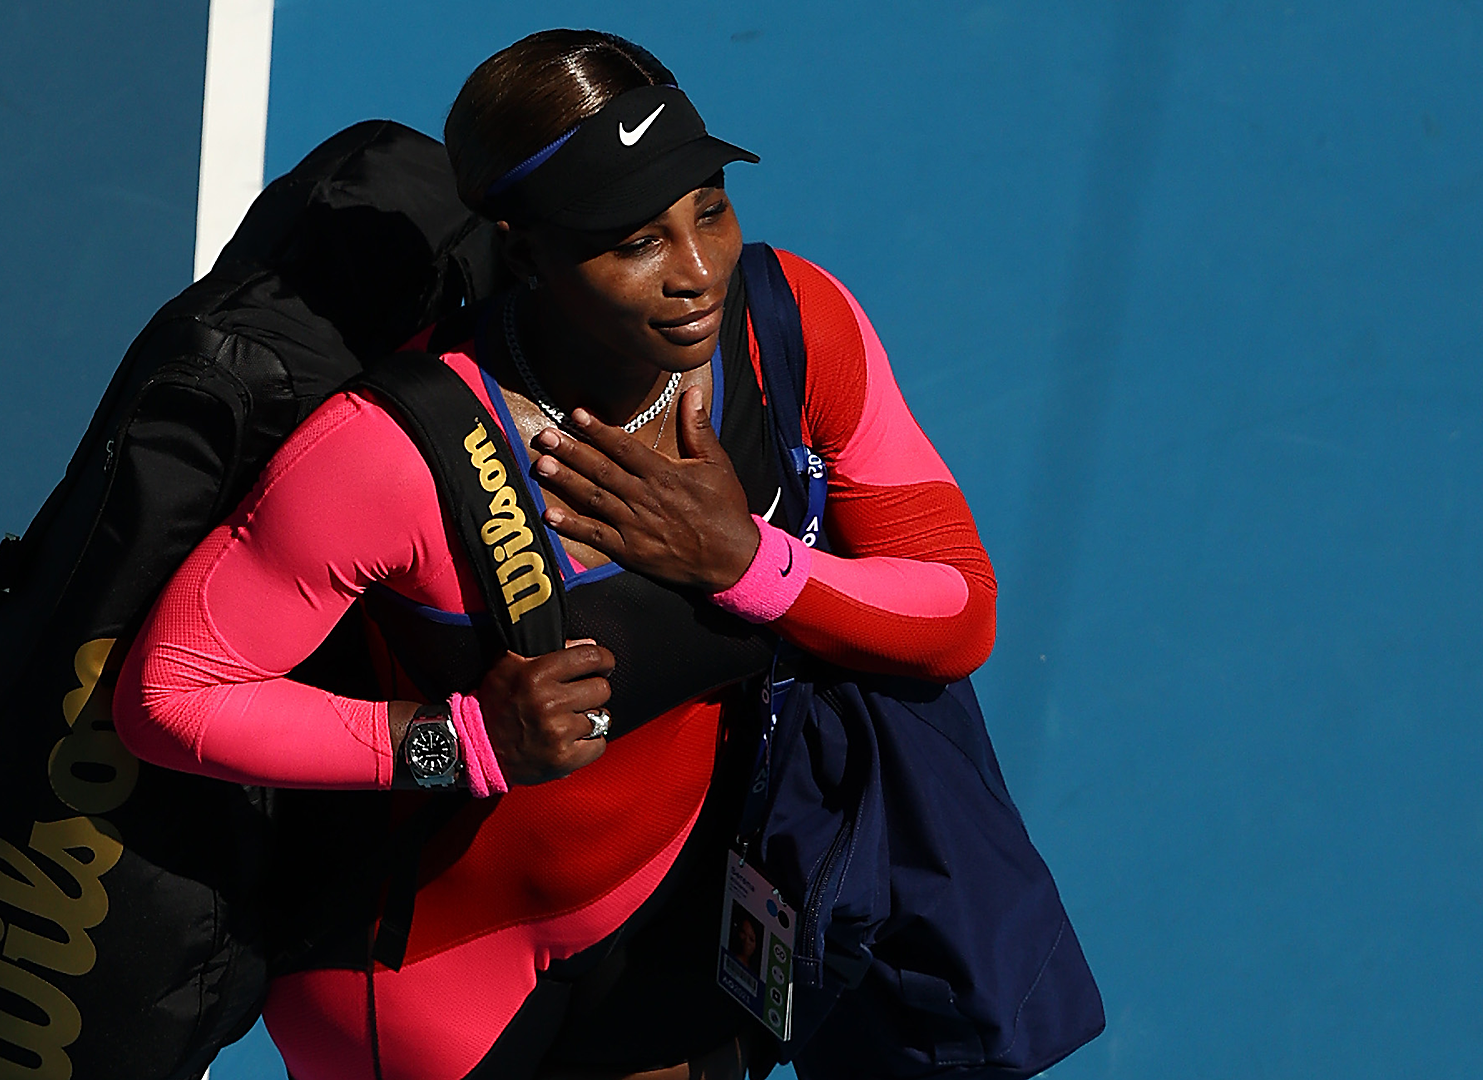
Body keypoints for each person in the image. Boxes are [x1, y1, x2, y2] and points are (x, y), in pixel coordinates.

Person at [113, 28, 995, 1080]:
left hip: (675, 922)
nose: (698, 272)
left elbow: (957, 613)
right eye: (636, 243)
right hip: (423, 979)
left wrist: (746, 561)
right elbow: (172, 697)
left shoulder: (795, 329)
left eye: (708, 210)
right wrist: (465, 742)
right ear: (522, 249)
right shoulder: (387, 453)